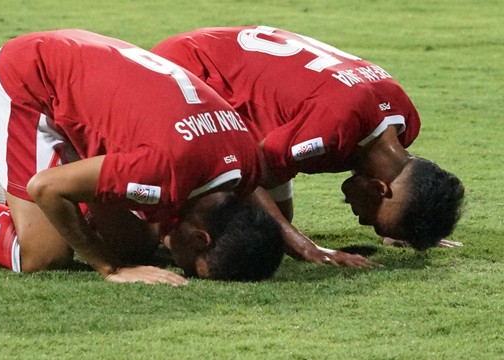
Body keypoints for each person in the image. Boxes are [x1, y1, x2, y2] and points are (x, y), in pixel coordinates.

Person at [0, 29, 285, 284]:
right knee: (44, 255)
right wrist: (110, 269)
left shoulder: (242, 154)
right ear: (201, 237)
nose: (178, 267)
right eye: (190, 266)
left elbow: (251, 196)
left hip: (85, 70)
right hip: (29, 82)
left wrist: (302, 245)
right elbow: (46, 188)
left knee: (137, 243)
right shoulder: (162, 170)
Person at [152, 25, 464, 258]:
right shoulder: (333, 127)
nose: (364, 222)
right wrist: (307, 247)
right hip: (190, 69)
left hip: (223, 54)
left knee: (276, 221)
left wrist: (405, 222)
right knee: (234, 226)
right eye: (375, 222)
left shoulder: (403, 119)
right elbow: (244, 174)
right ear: (380, 188)